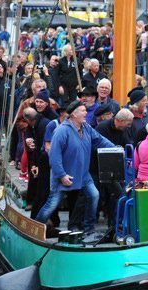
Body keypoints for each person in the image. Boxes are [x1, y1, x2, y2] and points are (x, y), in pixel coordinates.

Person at [35, 100, 115, 243]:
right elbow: (54, 156)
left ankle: (88, 228)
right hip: (63, 175)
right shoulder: (61, 130)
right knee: (52, 204)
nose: (86, 113)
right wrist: (61, 175)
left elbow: (100, 140)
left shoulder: (87, 127)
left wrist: (115, 148)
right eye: (83, 111)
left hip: (83, 174)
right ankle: (36, 228)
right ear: (73, 114)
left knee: (94, 195)